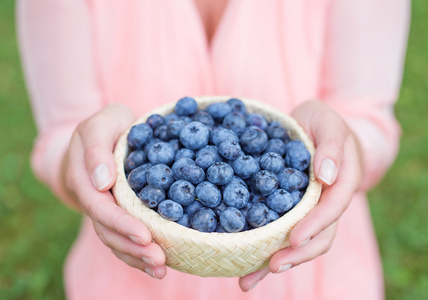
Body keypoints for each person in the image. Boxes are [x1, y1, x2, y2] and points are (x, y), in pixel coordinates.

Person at [17, 0, 410, 299]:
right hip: (132, 268)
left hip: (315, 273)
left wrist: (344, 149)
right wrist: (84, 161)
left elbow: (368, 121)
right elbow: (60, 137)